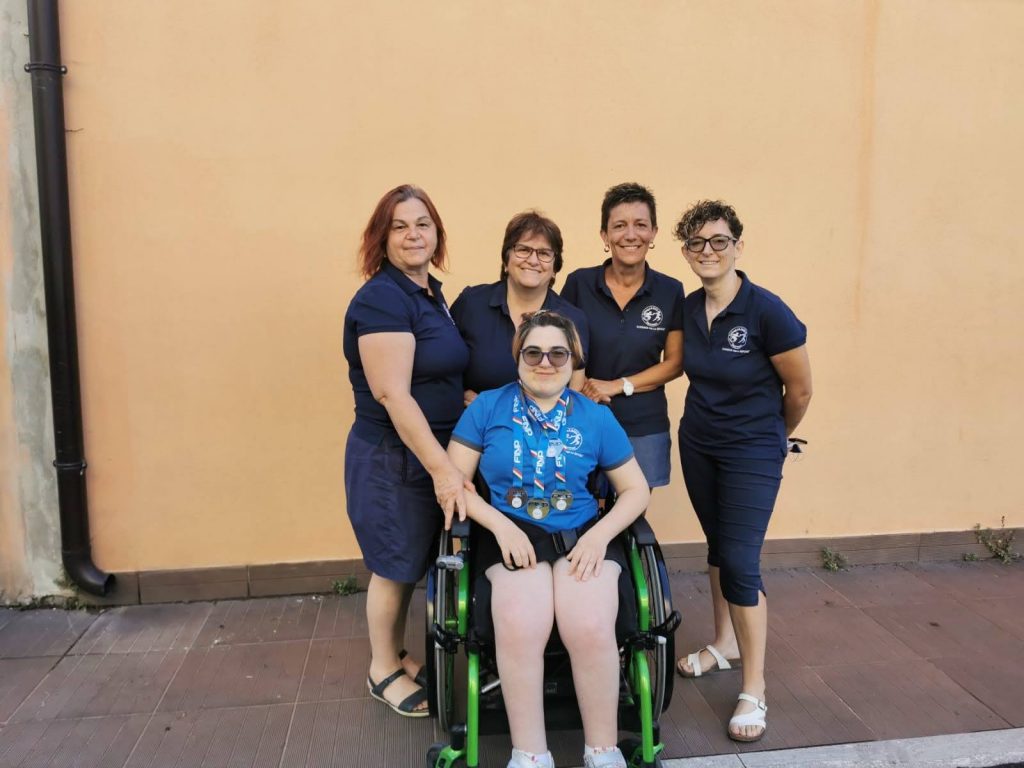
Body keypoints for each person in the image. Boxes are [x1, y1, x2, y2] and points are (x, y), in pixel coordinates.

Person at [447, 310, 650, 768]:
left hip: (583, 533)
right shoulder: (487, 407)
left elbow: (636, 490)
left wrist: (599, 537)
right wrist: (499, 525)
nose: (545, 362)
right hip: (509, 533)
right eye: (533, 352)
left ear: (573, 359)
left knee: (590, 623)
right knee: (521, 622)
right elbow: (453, 482)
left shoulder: (595, 417)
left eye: (558, 354)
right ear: (517, 356)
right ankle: (531, 755)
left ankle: (603, 751)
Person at [672, 200, 813, 743]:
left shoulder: (767, 311)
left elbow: (800, 390)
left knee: (739, 560)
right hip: (699, 443)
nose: (708, 251)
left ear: (737, 246)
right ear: (686, 252)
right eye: (697, 242)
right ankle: (723, 643)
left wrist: (771, 436)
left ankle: (754, 687)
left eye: (719, 240)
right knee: (717, 546)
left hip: (752, 450)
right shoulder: (689, 308)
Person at [342, 184, 470, 718]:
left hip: (426, 451)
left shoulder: (428, 292)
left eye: (422, 224)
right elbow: (393, 393)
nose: (413, 235)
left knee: (412, 559)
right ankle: (381, 670)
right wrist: (444, 470)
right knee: (394, 565)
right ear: (382, 238)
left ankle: (394, 652)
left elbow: (434, 370)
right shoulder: (382, 299)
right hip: (393, 458)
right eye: (399, 226)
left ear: (437, 233)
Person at [561, 183, 684, 491]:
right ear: (605, 235)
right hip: (582, 418)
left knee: (634, 510)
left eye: (640, 225)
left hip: (644, 425)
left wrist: (617, 385)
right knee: (579, 507)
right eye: (619, 226)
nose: (631, 235)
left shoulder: (670, 291)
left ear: (654, 232)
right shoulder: (579, 284)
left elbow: (675, 363)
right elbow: (559, 348)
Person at [450, 210, 589, 404]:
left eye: (544, 253)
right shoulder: (471, 304)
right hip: (479, 421)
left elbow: (574, 393)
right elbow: (446, 366)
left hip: (546, 423)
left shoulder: (573, 319)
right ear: (506, 260)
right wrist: (464, 395)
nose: (533, 260)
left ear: (555, 268)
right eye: (523, 250)